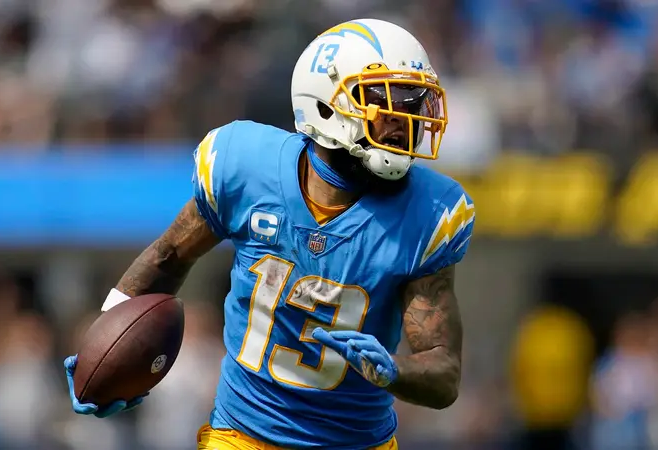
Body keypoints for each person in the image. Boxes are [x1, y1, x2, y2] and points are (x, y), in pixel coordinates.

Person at [64, 18, 475, 450]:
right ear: (326, 104)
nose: (405, 120)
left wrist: (393, 370)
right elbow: (169, 257)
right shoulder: (246, 169)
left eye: (414, 103)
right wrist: (106, 341)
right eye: (385, 101)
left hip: (359, 443)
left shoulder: (428, 213)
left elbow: (444, 372)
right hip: (243, 436)